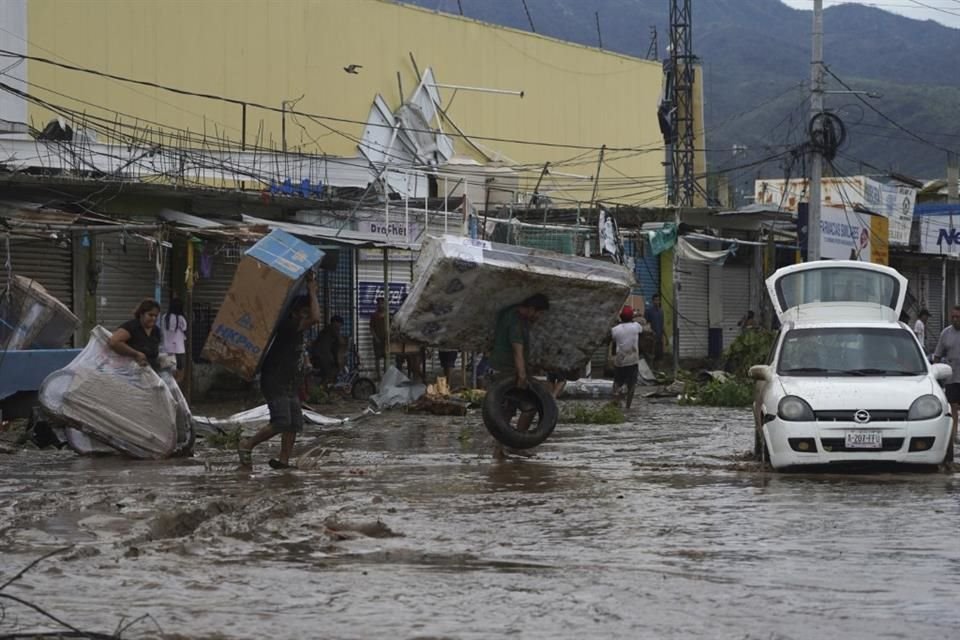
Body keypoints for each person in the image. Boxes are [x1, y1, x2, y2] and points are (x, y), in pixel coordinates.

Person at [238, 273, 321, 470]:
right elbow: (317, 318)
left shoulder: (297, 331)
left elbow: (301, 349)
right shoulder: (289, 326)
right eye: (304, 313)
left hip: (290, 384)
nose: (307, 317)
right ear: (295, 313)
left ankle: (284, 460)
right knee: (281, 421)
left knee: (294, 423)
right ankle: (247, 444)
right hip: (275, 381)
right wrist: (312, 290)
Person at [489, 294, 550, 456]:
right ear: (531, 309)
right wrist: (522, 375)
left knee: (505, 411)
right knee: (529, 407)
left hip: (500, 367)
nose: (539, 317)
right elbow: (517, 351)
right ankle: (514, 444)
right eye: (539, 313)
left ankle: (500, 449)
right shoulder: (515, 323)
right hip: (508, 370)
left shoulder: (510, 312)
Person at [109, 299, 163, 370]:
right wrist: (136, 354)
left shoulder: (156, 330)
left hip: (151, 374)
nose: (153, 318)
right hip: (130, 373)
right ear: (141, 314)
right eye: (150, 315)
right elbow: (114, 342)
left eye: (156, 316)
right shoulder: (132, 327)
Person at [934, 305, 960, 449]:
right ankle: (954, 435)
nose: (955, 320)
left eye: (958, 317)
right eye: (953, 317)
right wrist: (935, 374)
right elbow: (937, 355)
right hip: (951, 377)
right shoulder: (946, 333)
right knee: (953, 407)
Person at [610, 305, 643, 409]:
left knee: (617, 383)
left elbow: (612, 339)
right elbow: (642, 328)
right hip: (632, 360)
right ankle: (628, 407)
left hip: (620, 360)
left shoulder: (615, 330)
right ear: (631, 317)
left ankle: (616, 403)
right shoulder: (636, 326)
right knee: (631, 385)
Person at [310, 315, 344, 385]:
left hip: (319, 354)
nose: (340, 326)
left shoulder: (327, 329)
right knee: (330, 372)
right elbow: (341, 341)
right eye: (340, 324)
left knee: (329, 371)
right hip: (322, 355)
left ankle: (324, 387)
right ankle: (322, 389)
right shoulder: (332, 329)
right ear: (335, 322)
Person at [161, 298, 188, 381]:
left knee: (168, 371)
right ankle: (178, 386)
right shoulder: (180, 318)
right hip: (178, 349)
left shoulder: (165, 317)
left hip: (167, 348)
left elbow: (162, 329)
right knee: (180, 369)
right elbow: (185, 327)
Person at [370, 297, 387, 379]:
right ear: (377, 305)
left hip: (386, 340)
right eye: (379, 303)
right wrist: (375, 338)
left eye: (382, 303)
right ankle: (379, 376)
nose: (380, 305)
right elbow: (371, 328)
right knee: (377, 358)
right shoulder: (374, 315)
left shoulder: (387, 315)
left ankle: (386, 375)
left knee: (386, 357)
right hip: (377, 340)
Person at [645, 293, 665, 362]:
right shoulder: (649, 311)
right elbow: (646, 324)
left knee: (659, 356)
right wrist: (651, 332)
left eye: (658, 300)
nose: (657, 302)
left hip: (659, 337)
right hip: (652, 338)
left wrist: (665, 337)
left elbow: (662, 324)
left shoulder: (661, 311)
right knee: (651, 356)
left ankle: (658, 369)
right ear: (652, 301)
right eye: (655, 300)